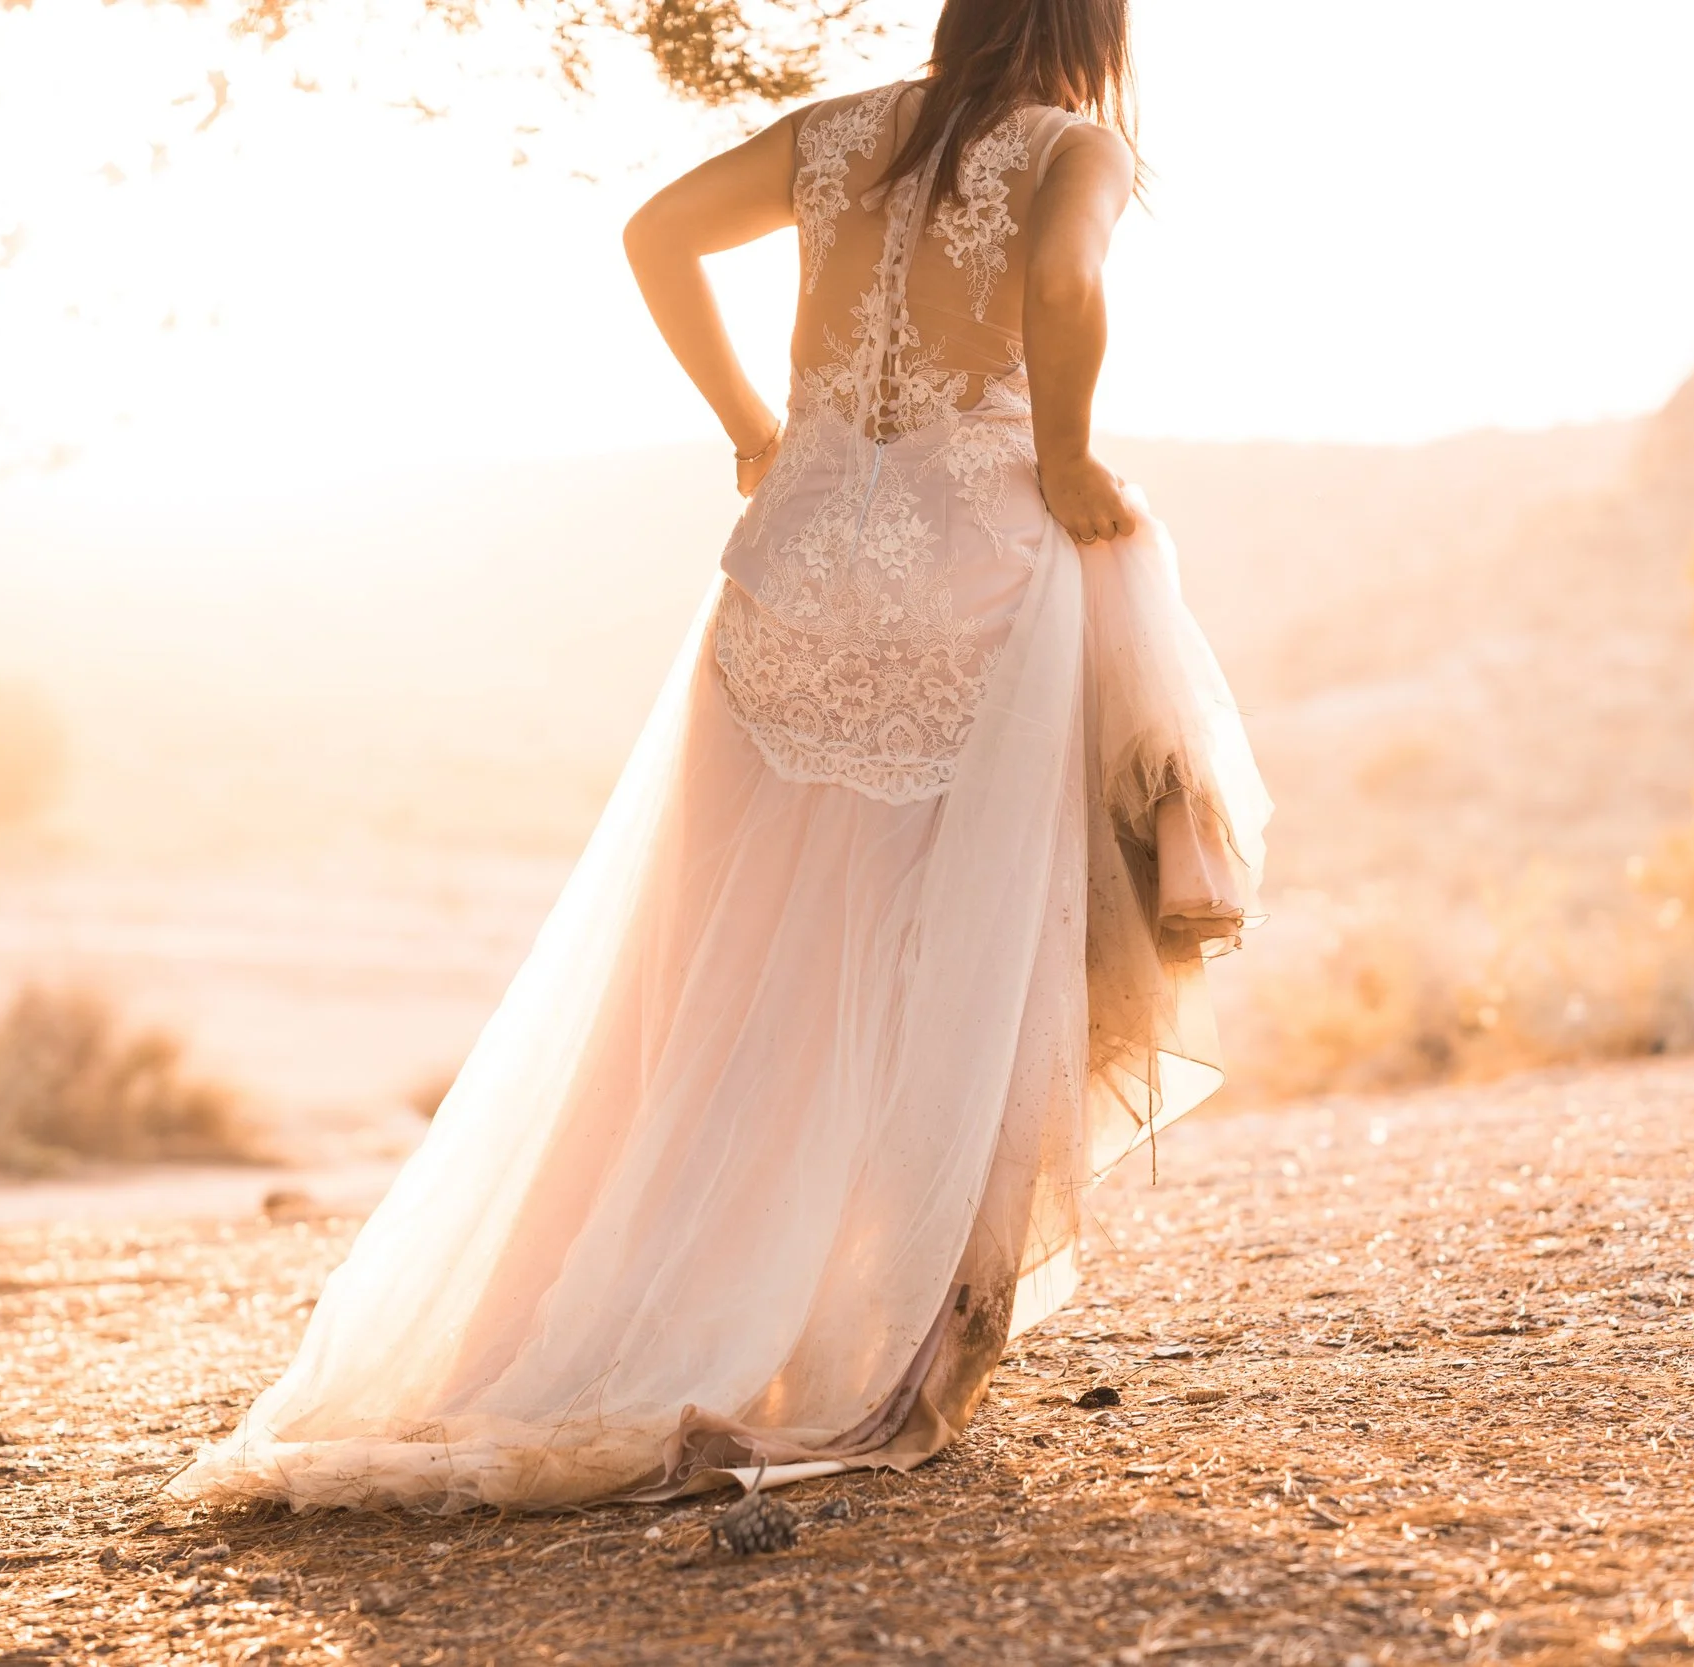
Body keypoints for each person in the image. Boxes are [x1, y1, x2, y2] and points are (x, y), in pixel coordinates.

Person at [169, 0, 1269, 1514]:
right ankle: (894, 1343)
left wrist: (752, 421)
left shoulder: (837, 135)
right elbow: (1069, 281)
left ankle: (664, 1307)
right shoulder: (1074, 148)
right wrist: (1072, 453)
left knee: (726, 968)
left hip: (792, 577)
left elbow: (654, 233)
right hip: (974, 589)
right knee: (964, 961)